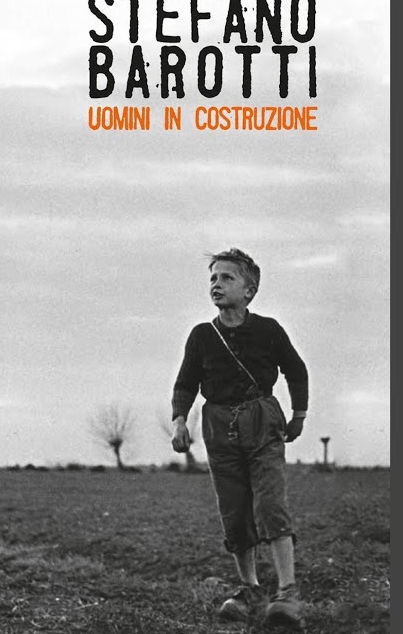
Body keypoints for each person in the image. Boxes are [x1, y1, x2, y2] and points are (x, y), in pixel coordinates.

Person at [170, 248, 309, 626]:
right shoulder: (201, 336)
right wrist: (180, 421)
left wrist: (298, 414)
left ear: (250, 290)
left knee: (269, 505)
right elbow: (185, 383)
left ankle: (288, 593)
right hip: (219, 427)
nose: (216, 284)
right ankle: (250, 590)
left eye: (227, 277)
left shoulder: (268, 330)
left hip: (262, 422)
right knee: (233, 510)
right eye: (213, 278)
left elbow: (296, 371)